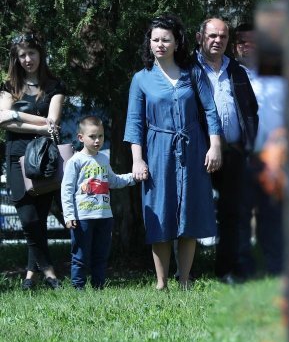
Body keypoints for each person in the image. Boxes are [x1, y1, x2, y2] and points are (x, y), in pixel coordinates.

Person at [124, 15, 223, 290]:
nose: (160, 44)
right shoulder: (141, 79)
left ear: (176, 41)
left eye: (165, 39)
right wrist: (137, 159)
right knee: (161, 211)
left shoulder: (193, 73)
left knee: (189, 213)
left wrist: (214, 145)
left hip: (193, 150)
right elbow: (134, 123)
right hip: (157, 151)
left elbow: (210, 111)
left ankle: (184, 280)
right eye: (155, 39)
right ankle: (161, 282)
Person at [193, 17, 259, 283]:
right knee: (190, 211)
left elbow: (250, 111)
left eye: (222, 37)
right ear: (200, 38)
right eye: (212, 36)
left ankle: (227, 270)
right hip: (197, 153)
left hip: (233, 153)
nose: (217, 41)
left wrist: (247, 145)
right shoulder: (188, 70)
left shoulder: (236, 71)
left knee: (234, 213)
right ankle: (186, 273)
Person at [0, 32, 66, 290]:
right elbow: (1, 119)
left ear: (41, 54)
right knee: (27, 218)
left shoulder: (54, 86)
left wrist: (17, 117)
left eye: (32, 53)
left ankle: (29, 277)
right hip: (17, 155)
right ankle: (49, 273)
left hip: (44, 159)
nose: (27, 59)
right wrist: (40, 126)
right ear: (16, 59)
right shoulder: (9, 87)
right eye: (22, 55)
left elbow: (54, 122)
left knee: (37, 219)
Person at [61, 116, 136, 289]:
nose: (97, 140)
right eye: (92, 136)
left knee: (101, 255)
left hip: (104, 216)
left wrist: (134, 177)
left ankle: (98, 287)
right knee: (80, 255)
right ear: (81, 138)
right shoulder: (75, 161)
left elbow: (113, 181)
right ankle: (78, 289)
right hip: (83, 218)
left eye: (100, 136)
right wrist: (69, 215)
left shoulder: (103, 159)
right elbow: (67, 190)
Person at [235, 22, 285, 276]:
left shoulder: (278, 77)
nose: (248, 46)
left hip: (273, 157)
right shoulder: (228, 76)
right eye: (243, 42)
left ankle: (276, 268)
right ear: (236, 46)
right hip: (240, 155)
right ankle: (243, 269)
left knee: (272, 214)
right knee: (240, 215)